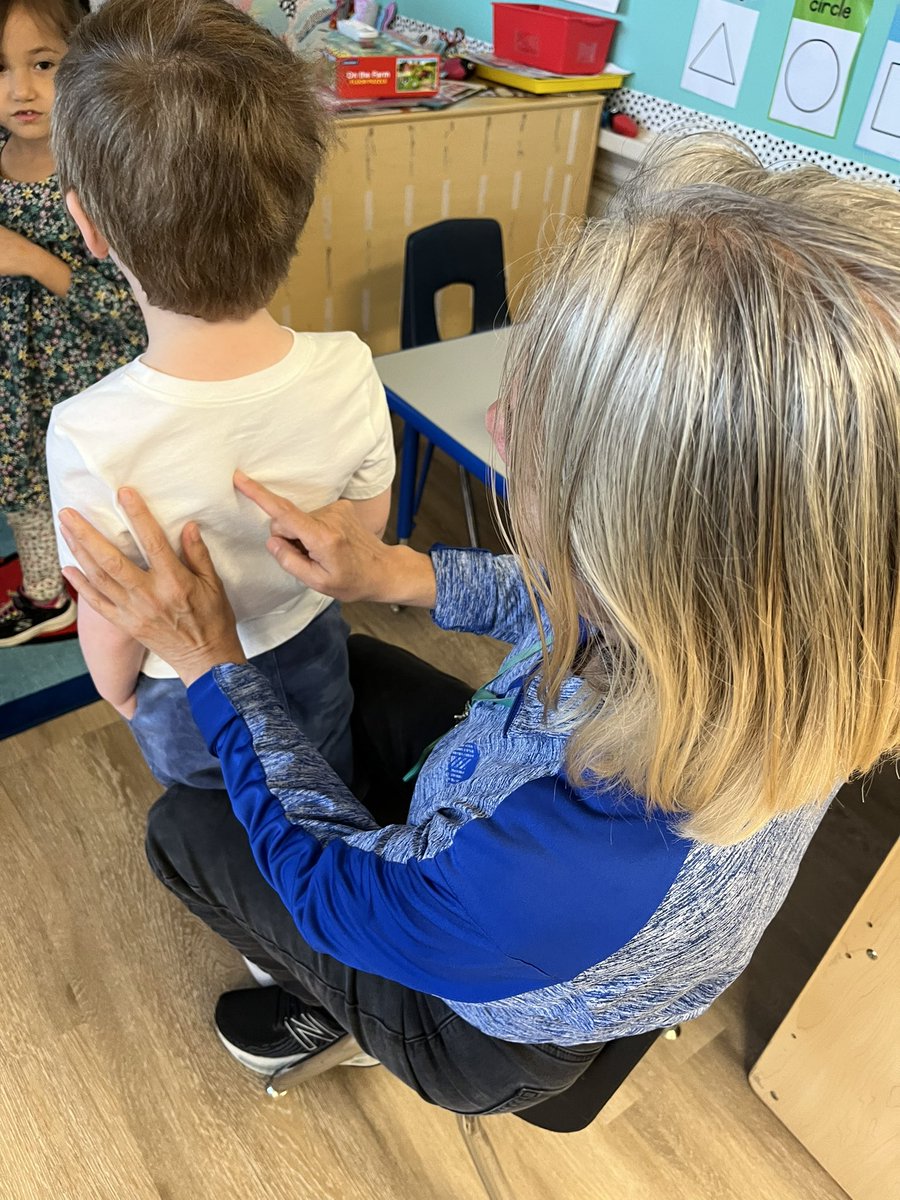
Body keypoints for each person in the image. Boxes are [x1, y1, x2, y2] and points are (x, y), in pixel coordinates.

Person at [58, 137, 900, 1116]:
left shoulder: (570, 859)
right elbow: (566, 604)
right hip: (535, 900)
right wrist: (394, 570)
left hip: (479, 1037)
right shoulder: (794, 642)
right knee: (364, 666)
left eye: (540, 430)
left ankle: (338, 1010)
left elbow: (333, 893)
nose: (498, 423)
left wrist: (209, 660)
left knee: (185, 828)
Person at [46, 0, 394, 788]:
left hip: (183, 683)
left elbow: (109, 606)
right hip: (310, 642)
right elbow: (357, 534)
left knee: (215, 804)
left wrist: (118, 692)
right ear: (298, 204)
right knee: (321, 770)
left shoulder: (87, 433)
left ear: (89, 228)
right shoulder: (349, 366)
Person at [0, 0, 144, 646]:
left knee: (95, 497)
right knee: (23, 485)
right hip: (13, 385)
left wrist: (30, 260)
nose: (20, 89)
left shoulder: (98, 173)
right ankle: (43, 595)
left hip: (83, 383)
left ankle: (100, 599)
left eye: (42, 64)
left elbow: (127, 311)